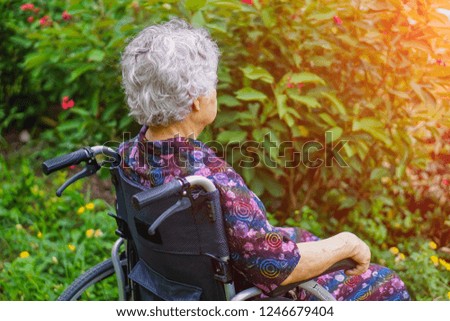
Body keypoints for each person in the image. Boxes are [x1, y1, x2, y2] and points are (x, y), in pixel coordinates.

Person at [118, 18, 410, 300]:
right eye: (213, 83)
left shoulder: (129, 154)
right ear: (195, 99)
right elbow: (276, 266)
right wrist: (346, 242)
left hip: (174, 283)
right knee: (386, 283)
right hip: (244, 293)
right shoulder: (209, 179)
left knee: (301, 235)